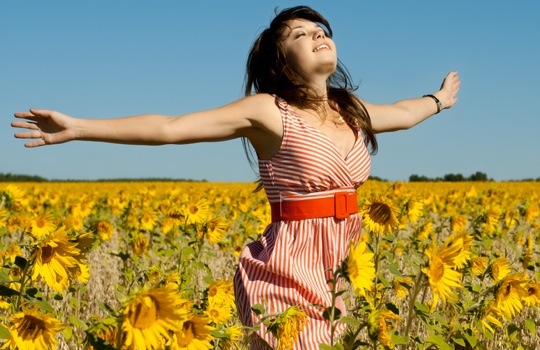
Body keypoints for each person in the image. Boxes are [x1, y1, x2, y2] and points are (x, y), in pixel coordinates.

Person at [12, 5, 460, 349]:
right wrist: (80, 127)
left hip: (338, 267)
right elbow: (171, 128)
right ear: (281, 61)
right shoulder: (269, 111)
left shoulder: (350, 111)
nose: (317, 35)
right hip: (287, 266)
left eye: (320, 30)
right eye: (300, 35)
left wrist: (437, 99)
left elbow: (402, 113)